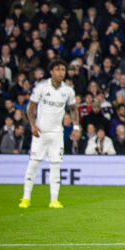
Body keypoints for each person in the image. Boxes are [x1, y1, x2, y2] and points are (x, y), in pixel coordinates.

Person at [20, 59, 79, 208]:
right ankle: (26, 198)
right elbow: (31, 107)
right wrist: (33, 125)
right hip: (41, 132)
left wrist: (76, 126)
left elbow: (73, 108)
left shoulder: (68, 90)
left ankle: (54, 199)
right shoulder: (41, 87)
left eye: (63, 70)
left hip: (57, 133)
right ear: (51, 71)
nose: (61, 73)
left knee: (56, 165)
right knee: (33, 164)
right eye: (58, 69)